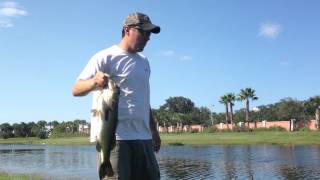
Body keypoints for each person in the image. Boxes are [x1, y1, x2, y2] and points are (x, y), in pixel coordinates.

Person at [72, 12, 161, 180]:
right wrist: (94, 82)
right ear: (127, 30)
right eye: (143, 32)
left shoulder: (144, 61)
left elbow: (144, 99)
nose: (148, 38)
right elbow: (76, 89)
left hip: (144, 139)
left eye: (149, 34)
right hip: (116, 140)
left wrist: (154, 130)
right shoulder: (105, 57)